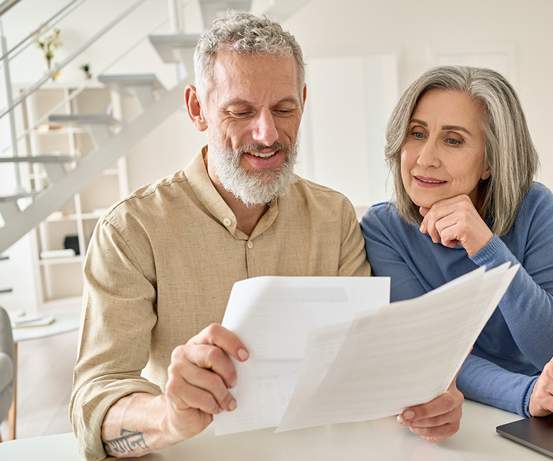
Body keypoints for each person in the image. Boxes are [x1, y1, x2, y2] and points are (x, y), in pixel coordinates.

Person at [68, 13, 456, 461]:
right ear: (197, 109)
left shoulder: (335, 217)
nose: (267, 134)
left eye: (284, 109)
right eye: (241, 111)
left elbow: (367, 361)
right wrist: (167, 416)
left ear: (304, 102)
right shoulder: (131, 231)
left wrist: (426, 393)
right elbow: (94, 403)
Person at [360, 66, 553, 430]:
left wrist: (489, 249)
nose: (425, 157)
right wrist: (526, 392)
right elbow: (433, 353)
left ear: (490, 160)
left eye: (453, 140)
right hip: (457, 413)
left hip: (545, 415)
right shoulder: (384, 228)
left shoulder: (534, 206)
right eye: (416, 134)